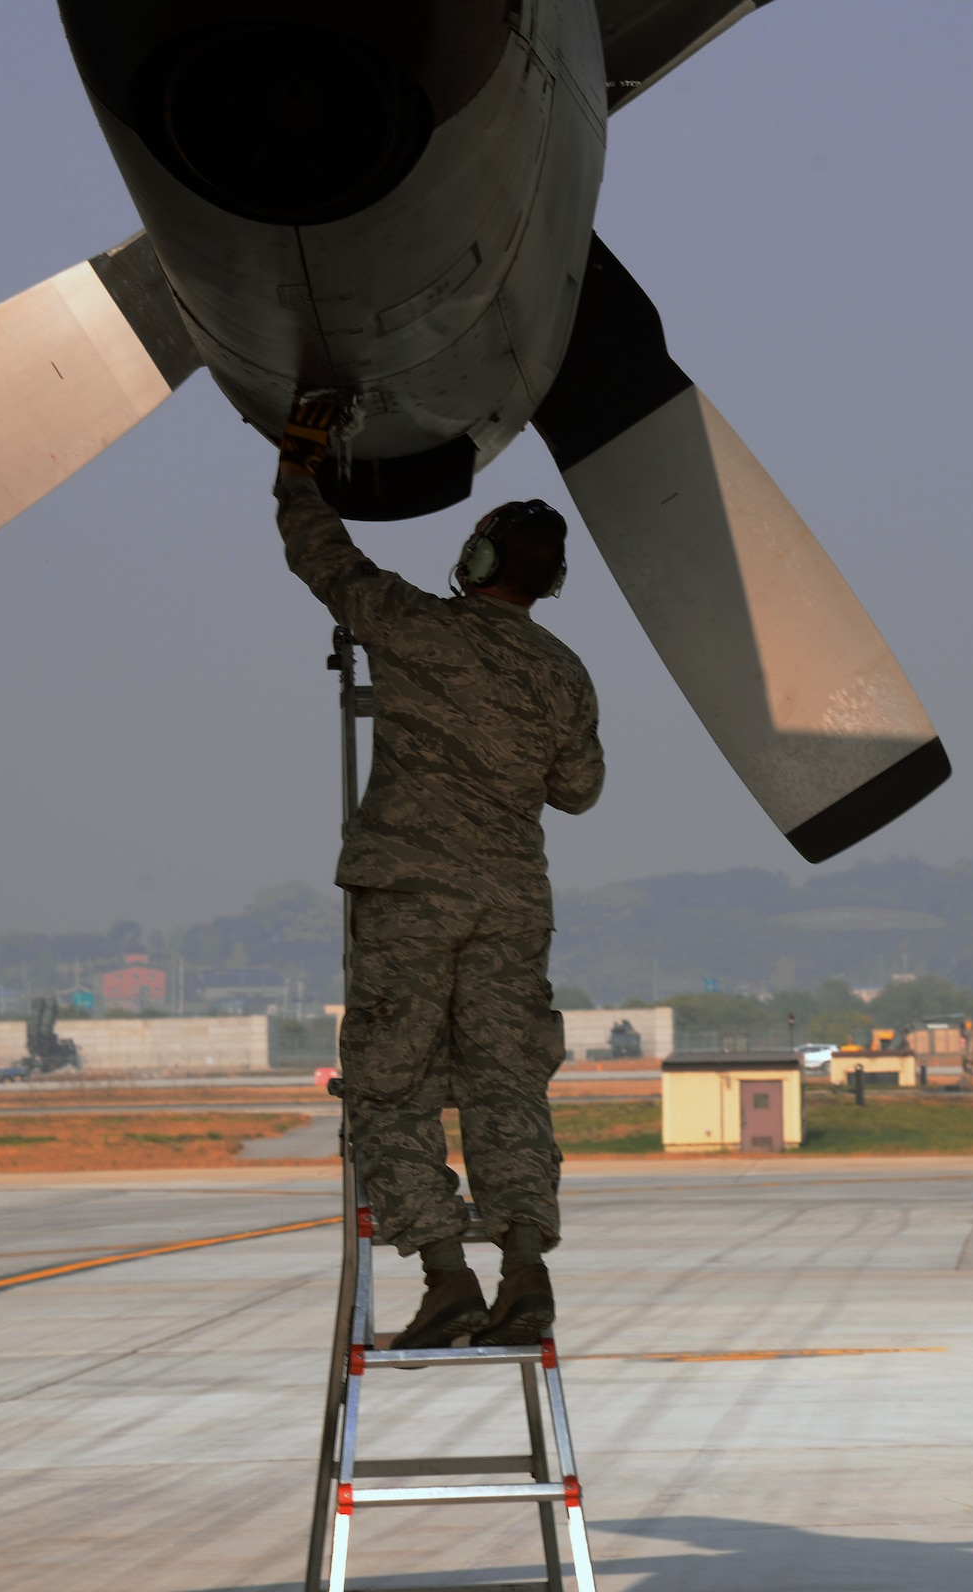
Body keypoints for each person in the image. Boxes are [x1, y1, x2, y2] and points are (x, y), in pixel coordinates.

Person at [276, 395, 604, 1348]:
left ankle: (448, 1277)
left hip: (414, 896)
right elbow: (578, 789)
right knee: (508, 1085)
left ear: (482, 564)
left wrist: (299, 464)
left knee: (392, 1086)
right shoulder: (564, 673)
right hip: (511, 901)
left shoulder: (417, 628)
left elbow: (322, 558)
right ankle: (527, 1274)